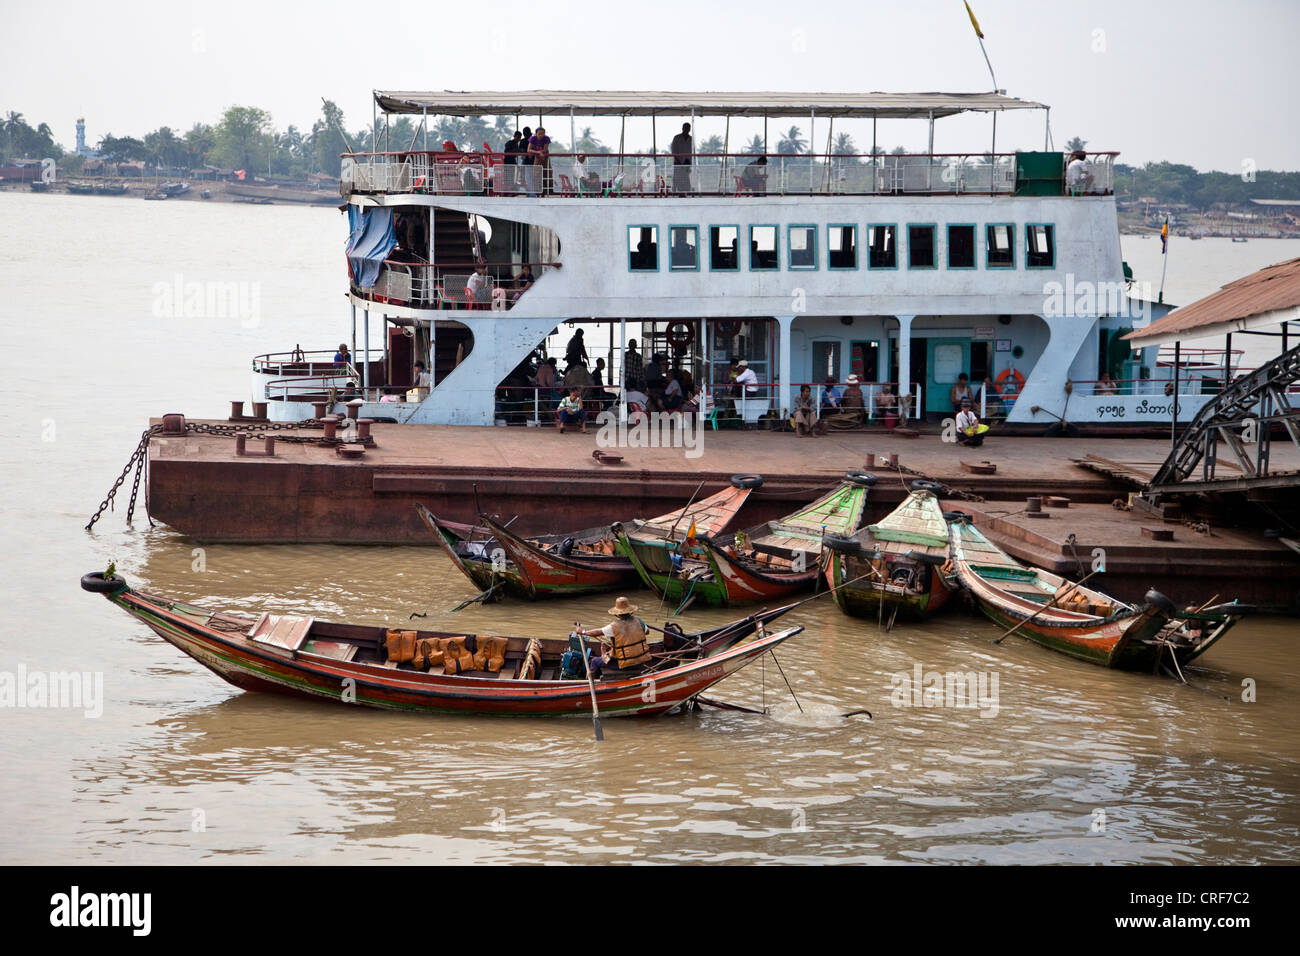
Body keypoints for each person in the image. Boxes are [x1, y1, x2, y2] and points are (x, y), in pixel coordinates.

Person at [576, 596, 650, 671]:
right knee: (609, 654)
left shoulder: (614, 626)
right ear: (630, 611)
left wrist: (583, 632)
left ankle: (596, 681)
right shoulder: (639, 621)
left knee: (594, 661)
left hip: (626, 664)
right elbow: (647, 632)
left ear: (617, 614)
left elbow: (598, 632)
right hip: (641, 660)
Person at [527, 127, 551, 196]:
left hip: (545, 158)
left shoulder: (546, 138)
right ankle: (537, 192)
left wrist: (541, 153)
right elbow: (528, 149)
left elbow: (545, 149)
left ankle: (545, 192)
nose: (541, 135)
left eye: (543, 134)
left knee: (546, 173)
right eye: (539, 134)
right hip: (537, 158)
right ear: (536, 134)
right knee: (536, 175)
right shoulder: (532, 138)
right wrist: (538, 152)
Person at [670, 122, 693, 193]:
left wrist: (689, 161)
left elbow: (692, 150)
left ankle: (686, 191)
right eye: (685, 127)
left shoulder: (691, 139)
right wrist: (677, 159)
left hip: (687, 161)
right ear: (682, 128)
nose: (687, 129)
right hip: (678, 161)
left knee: (686, 178)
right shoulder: (677, 138)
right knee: (677, 177)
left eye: (688, 128)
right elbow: (673, 149)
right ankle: (675, 192)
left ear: (690, 129)